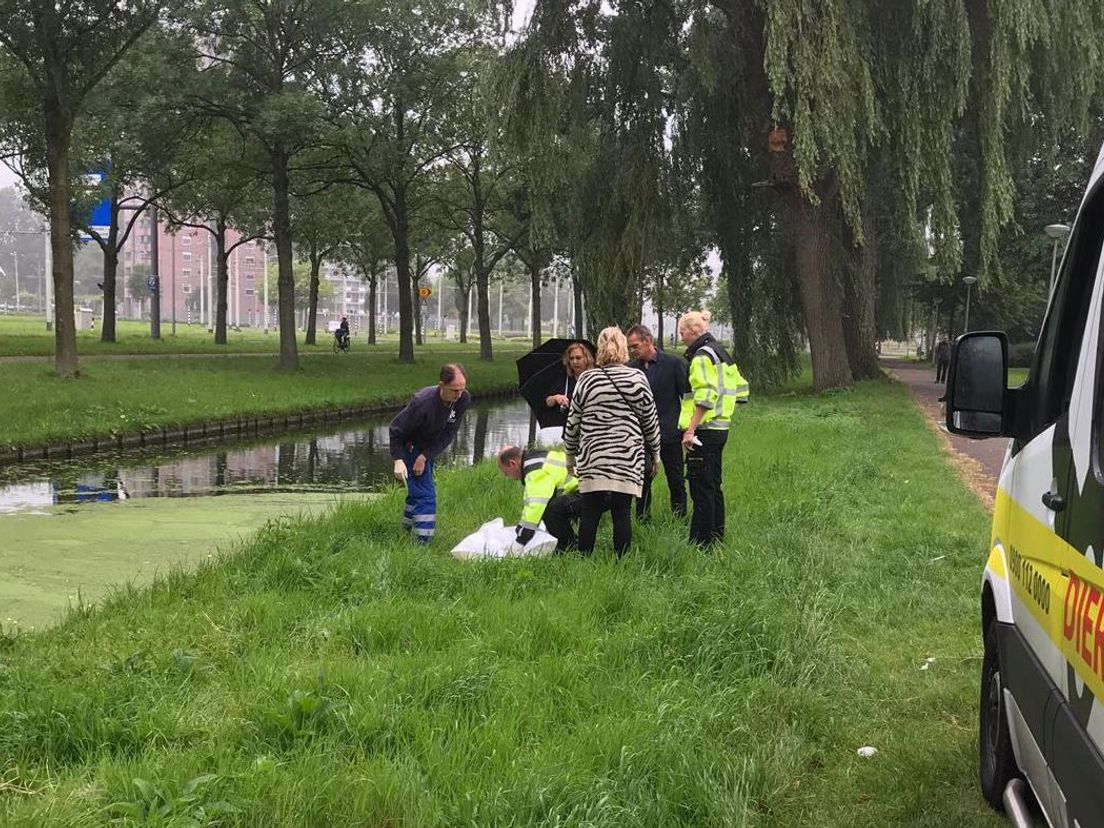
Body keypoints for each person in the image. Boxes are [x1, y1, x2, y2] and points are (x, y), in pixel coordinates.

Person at [563, 327, 660, 558]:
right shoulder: (637, 378)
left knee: (590, 511)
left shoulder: (587, 379)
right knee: (622, 511)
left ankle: (583, 559)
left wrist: (569, 456)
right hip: (627, 456)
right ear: (624, 347)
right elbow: (650, 420)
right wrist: (655, 454)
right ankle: (622, 560)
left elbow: (573, 421)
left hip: (593, 456)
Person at [678, 310, 749, 548]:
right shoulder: (722, 353)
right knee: (714, 485)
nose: (681, 338)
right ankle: (717, 535)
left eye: (682, 332)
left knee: (700, 489)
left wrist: (690, 430)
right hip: (721, 429)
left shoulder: (701, 357)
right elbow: (742, 390)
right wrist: (724, 413)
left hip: (704, 430)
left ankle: (701, 543)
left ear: (694, 331)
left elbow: (705, 397)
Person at [389, 364, 471, 544]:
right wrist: (399, 460)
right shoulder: (422, 403)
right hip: (409, 445)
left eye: (462, 389)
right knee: (426, 496)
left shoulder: (463, 399)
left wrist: (424, 456)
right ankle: (422, 545)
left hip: (427, 449)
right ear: (441, 385)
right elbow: (395, 430)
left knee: (417, 492)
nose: (458, 395)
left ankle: (405, 532)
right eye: (454, 390)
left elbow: (448, 434)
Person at [627, 323, 690, 519]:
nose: (633, 350)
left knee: (676, 478)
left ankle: (679, 518)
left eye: (635, 345)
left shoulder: (674, 364)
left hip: (669, 433)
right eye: (630, 347)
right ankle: (643, 519)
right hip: (641, 436)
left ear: (648, 341)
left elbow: (688, 398)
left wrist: (688, 428)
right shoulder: (630, 369)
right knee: (643, 480)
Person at [497, 445, 583, 553]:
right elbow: (530, 506)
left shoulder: (535, 471)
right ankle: (569, 544)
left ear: (513, 464)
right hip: (589, 487)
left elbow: (536, 508)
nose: (509, 477)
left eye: (506, 473)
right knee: (553, 507)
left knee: (551, 510)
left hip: (591, 491)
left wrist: (520, 542)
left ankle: (568, 548)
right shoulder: (535, 459)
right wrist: (520, 528)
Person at [546, 341, 594, 412]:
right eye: (571, 358)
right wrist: (556, 398)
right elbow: (548, 401)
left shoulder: (594, 379)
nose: (574, 361)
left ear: (586, 359)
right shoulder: (564, 379)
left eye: (578, 358)